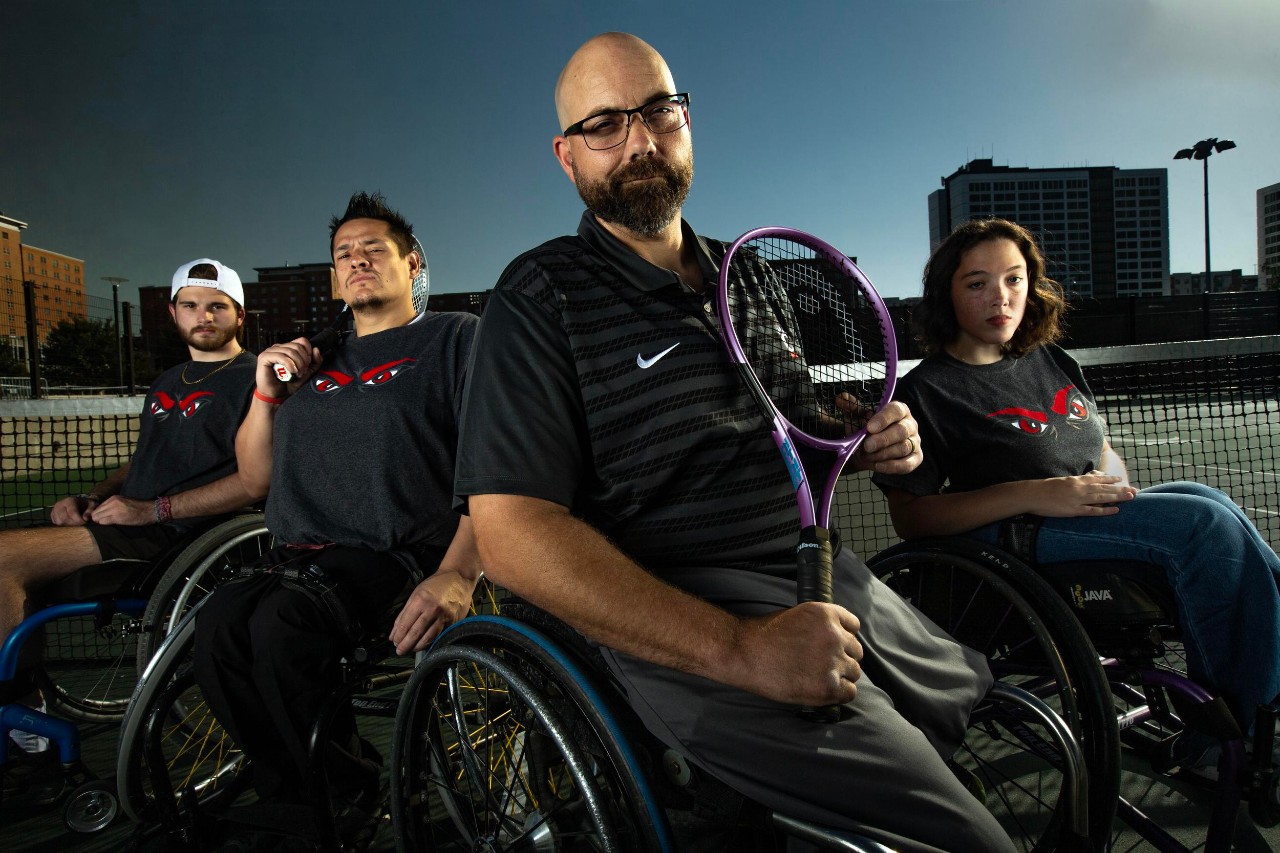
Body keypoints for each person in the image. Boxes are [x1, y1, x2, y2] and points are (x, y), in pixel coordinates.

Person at [454, 32, 1015, 853]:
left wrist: (865, 436)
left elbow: (799, 423)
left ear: (687, 121)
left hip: (816, 571)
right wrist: (742, 650)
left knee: (996, 710)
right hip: (684, 613)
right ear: (566, 156)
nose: (641, 139)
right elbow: (510, 533)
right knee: (970, 838)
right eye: (605, 124)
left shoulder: (745, 272)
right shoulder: (539, 295)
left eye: (659, 110)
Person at [873, 216, 1280, 761]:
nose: (1001, 297)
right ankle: (1241, 733)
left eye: (1014, 279)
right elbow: (912, 518)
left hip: (1082, 512)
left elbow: (1099, 441)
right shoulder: (926, 391)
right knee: (1203, 528)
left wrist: (1112, 481)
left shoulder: (1046, 357)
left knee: (1212, 501)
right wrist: (1036, 493)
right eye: (977, 283)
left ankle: (1272, 694)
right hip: (1019, 540)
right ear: (947, 293)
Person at [192, 192, 480, 848]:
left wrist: (460, 571)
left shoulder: (454, 337)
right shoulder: (309, 360)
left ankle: (337, 791)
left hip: (397, 551)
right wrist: (266, 391)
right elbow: (256, 477)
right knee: (215, 629)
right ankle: (302, 791)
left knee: (280, 627)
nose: (356, 259)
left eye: (373, 248)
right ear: (332, 278)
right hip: (297, 552)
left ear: (412, 264)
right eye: (343, 253)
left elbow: (494, 465)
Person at [0, 258, 257, 752]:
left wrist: (152, 510)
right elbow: (141, 462)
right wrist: (91, 497)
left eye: (217, 307)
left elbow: (254, 483)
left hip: (177, 535)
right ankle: (26, 705)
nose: (203, 316)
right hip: (124, 520)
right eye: (191, 306)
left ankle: (21, 717)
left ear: (239, 315)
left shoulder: (255, 380)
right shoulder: (167, 381)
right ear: (173, 312)